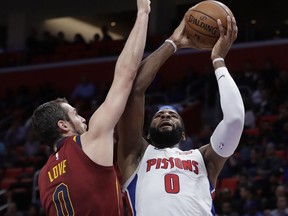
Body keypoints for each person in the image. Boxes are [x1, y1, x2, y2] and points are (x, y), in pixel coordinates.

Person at [31, 0, 151, 215]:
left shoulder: (42, 176)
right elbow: (126, 74)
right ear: (63, 125)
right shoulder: (88, 142)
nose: (83, 119)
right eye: (75, 114)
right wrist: (143, 13)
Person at [116, 15, 244, 215]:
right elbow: (134, 89)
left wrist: (218, 60)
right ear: (147, 134)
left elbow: (235, 120)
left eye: (173, 115)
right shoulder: (136, 155)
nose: (166, 115)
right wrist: (173, 43)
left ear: (184, 134)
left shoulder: (204, 158)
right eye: (159, 116)